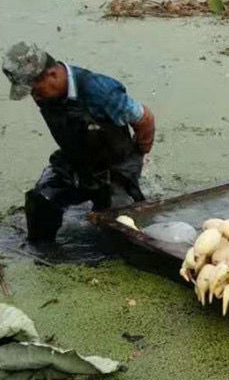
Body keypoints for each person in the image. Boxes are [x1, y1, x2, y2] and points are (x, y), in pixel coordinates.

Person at [2, 42, 156, 242]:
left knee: (118, 230)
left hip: (115, 166)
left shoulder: (100, 90)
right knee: (41, 201)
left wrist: (138, 156)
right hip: (74, 161)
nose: (35, 97)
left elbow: (145, 119)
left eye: (35, 90)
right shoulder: (46, 94)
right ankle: (44, 255)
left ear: (52, 75)